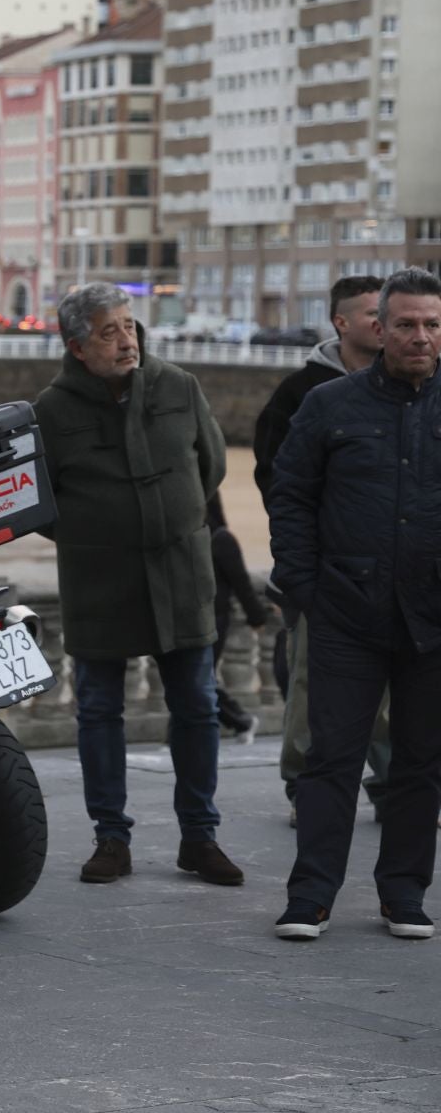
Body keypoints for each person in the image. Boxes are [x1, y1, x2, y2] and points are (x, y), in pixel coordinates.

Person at [33, 283, 243, 888]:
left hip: (181, 572)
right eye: (108, 331)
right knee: (99, 710)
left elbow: (211, 466)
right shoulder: (52, 409)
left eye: (128, 326)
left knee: (199, 707)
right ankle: (110, 838)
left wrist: (171, 518)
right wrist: (95, 534)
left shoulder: (178, 386)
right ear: (76, 346)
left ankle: (200, 837)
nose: (126, 340)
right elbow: (40, 504)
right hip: (98, 579)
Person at [269, 267, 441, 942]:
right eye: (405, 324)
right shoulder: (330, 405)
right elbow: (290, 496)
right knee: (330, 760)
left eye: (431, 324)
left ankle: (404, 895)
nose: (419, 336)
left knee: (420, 764)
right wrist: (303, 585)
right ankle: (309, 896)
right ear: (381, 327)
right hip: (345, 612)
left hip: (432, 619)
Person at [252, 276, 391, 821]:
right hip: (322, 570)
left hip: (399, 569)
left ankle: (395, 788)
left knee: (398, 693)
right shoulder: (299, 392)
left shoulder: (413, 386)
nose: (382, 323)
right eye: (370, 313)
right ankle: (307, 791)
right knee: (314, 690)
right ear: (341, 322)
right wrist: (305, 564)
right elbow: (276, 484)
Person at [206, 495, 265, 739]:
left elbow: (242, 583)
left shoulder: (221, 539)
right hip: (202, 617)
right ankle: (240, 721)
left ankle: (241, 720)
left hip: (216, 620)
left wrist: (257, 617)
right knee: (195, 677)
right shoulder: (200, 538)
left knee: (198, 677)